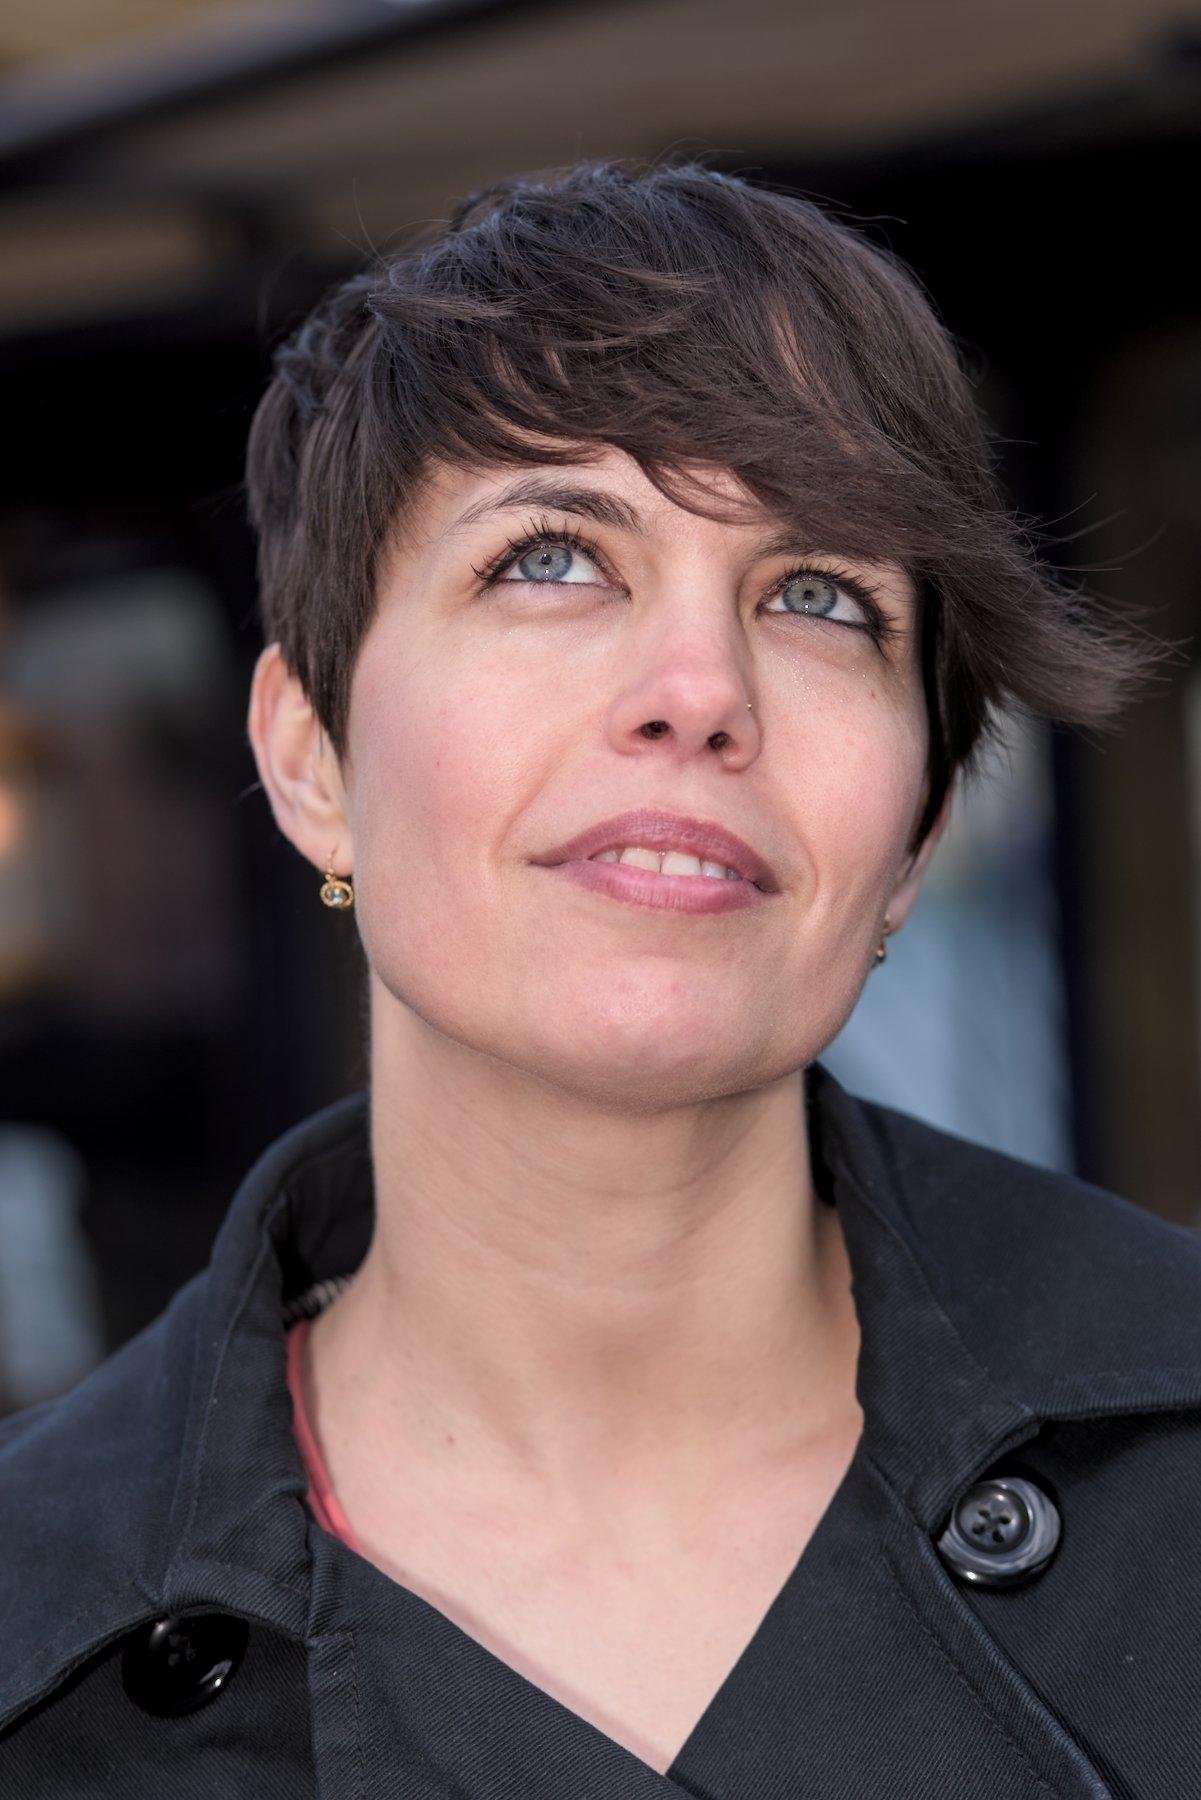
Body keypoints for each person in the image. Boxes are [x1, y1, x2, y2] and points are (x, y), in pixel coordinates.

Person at [2, 155, 1197, 1798]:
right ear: (309, 760)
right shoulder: (36, 1629)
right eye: (551, 557)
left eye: (818, 595)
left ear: (913, 835)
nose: (698, 691)